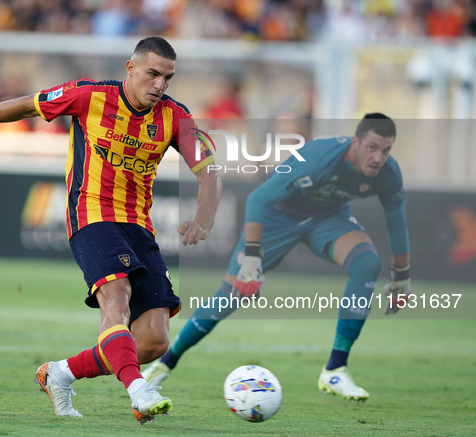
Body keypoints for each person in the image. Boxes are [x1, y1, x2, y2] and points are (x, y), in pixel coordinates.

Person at [0, 36, 222, 423]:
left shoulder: (176, 116)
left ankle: (61, 373)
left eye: (168, 78)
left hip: (139, 226)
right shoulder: (88, 95)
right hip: (91, 214)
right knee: (117, 297)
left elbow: (209, 174)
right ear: (131, 68)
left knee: (155, 340)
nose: (159, 85)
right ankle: (138, 390)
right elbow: (26, 105)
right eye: (152, 74)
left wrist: (204, 219)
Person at [143, 113, 411, 402]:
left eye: (385, 150)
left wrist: (401, 276)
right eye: (372, 147)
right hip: (277, 214)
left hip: (328, 217)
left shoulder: (389, 173)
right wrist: (252, 260)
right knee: (232, 295)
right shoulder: (320, 158)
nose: (378, 157)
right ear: (356, 142)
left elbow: (396, 222)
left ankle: (335, 370)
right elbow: (259, 198)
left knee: (367, 263)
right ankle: (165, 363)